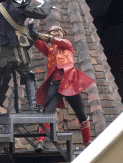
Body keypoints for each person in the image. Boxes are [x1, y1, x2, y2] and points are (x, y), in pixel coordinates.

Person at [28, 22, 94, 151]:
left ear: (61, 33)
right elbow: (40, 44)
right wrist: (33, 35)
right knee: (47, 113)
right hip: (55, 84)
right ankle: (40, 141)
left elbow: (53, 40)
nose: (53, 34)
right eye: (51, 33)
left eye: (56, 32)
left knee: (81, 114)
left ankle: (87, 142)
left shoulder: (67, 45)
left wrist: (40, 35)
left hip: (69, 81)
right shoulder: (50, 51)